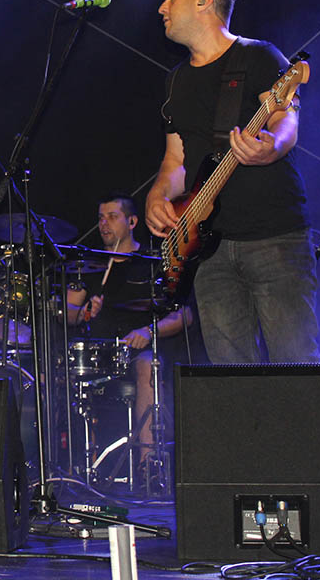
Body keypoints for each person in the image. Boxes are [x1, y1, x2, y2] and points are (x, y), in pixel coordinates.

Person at [145, 0, 318, 364]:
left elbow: (284, 118)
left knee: (297, 368)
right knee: (230, 378)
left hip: (274, 236)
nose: (161, 7)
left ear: (204, 1)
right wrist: (157, 196)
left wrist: (272, 146)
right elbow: (175, 159)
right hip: (207, 251)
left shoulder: (258, 56)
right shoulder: (175, 81)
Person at [64, 194, 191, 469]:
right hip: (99, 355)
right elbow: (67, 311)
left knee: (148, 366)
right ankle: (84, 468)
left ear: (132, 221)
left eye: (112, 216)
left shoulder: (153, 262)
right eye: (100, 218)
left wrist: (149, 331)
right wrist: (83, 313)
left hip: (140, 351)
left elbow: (185, 314)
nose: (104, 223)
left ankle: (149, 465)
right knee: (61, 372)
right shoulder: (91, 265)